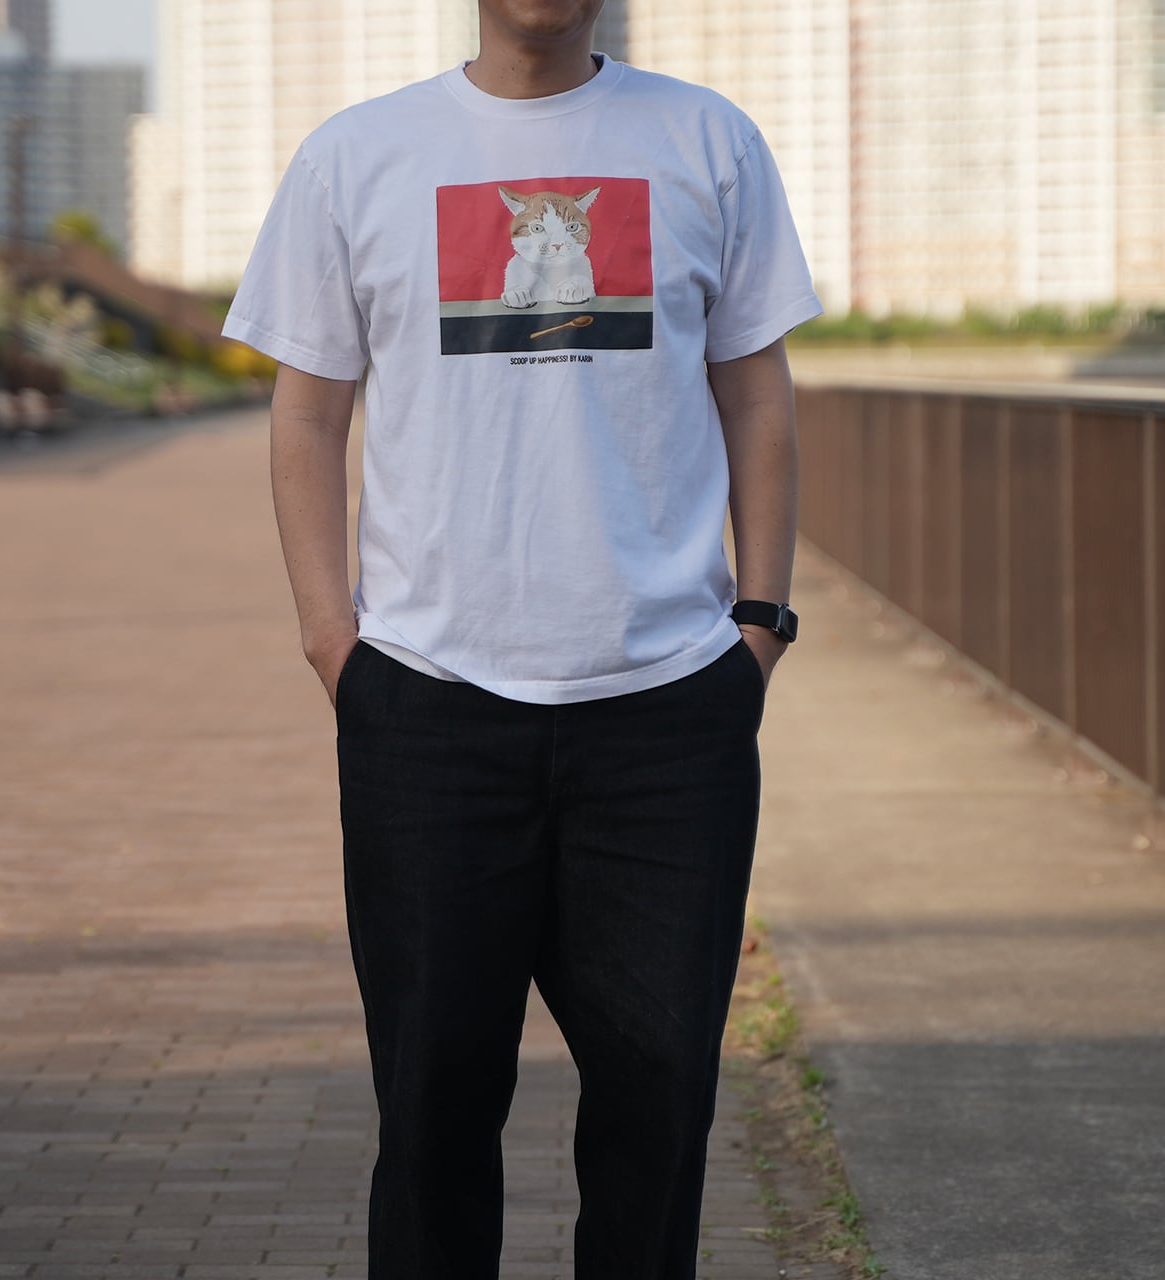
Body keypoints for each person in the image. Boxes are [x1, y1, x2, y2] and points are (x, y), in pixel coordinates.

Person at [222, 2, 822, 1275]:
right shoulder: (354, 156)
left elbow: (755, 391)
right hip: (428, 709)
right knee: (430, 1111)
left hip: (667, 710)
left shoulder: (706, 140)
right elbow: (306, 415)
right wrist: (334, 642)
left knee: (659, 1105)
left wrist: (758, 626)